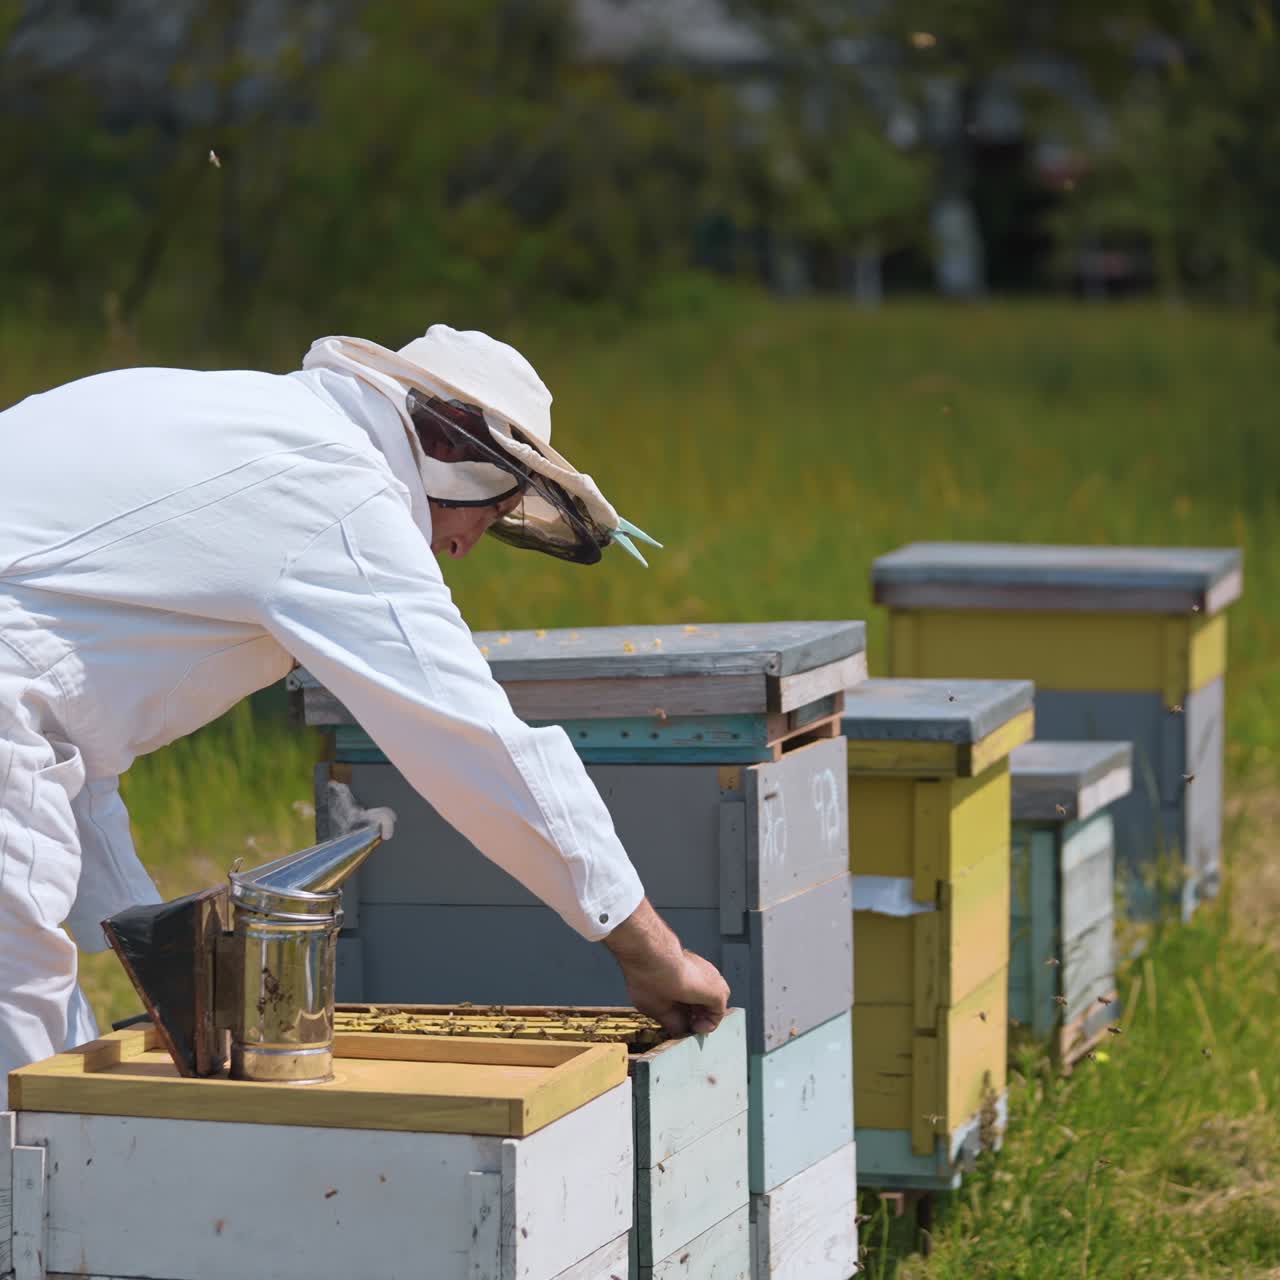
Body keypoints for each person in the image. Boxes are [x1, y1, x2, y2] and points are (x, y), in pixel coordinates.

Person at [0, 325, 730, 1076]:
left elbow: (68, 720)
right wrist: (652, 952)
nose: (468, 544)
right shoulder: (336, 493)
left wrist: (147, 935)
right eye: (493, 507)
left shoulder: (228, 411)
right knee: (28, 1090)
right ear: (452, 447)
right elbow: (478, 744)